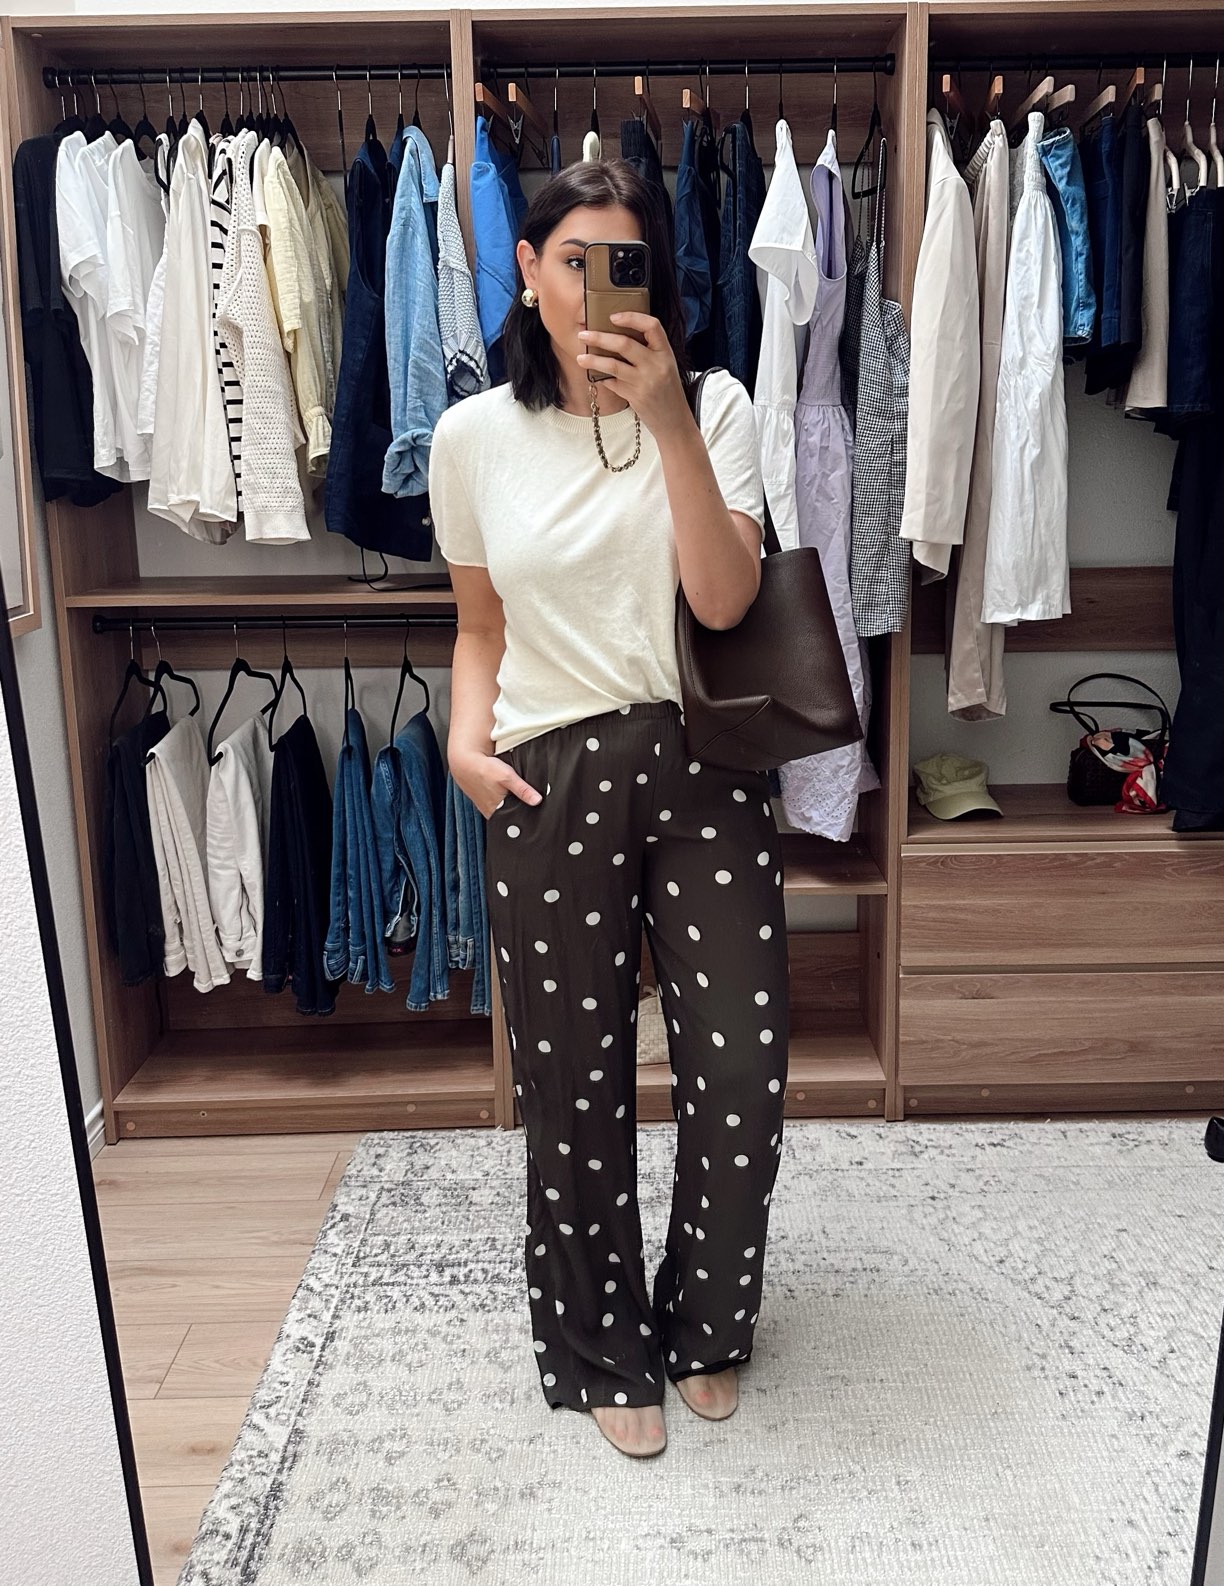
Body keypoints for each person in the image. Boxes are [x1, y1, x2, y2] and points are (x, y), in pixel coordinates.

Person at [429, 159, 790, 1460]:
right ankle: (597, 1343)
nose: (591, 288)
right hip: (548, 774)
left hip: (703, 766)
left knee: (740, 1074)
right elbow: (479, 625)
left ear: (654, 276)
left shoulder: (718, 404)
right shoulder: (470, 437)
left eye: (619, 262)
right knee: (572, 1082)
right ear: (526, 270)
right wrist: (464, 745)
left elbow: (724, 600)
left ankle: (703, 1320)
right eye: (569, 260)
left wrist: (670, 421)